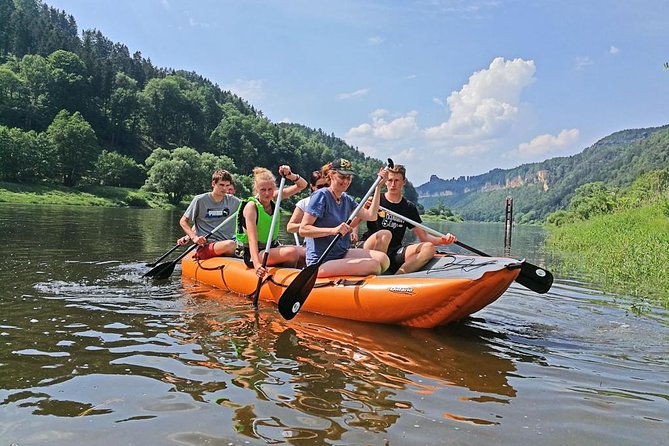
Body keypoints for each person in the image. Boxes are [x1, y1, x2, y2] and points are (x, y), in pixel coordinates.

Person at [300, 158, 390, 278]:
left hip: (341, 254)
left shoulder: (346, 198)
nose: (346, 181)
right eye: (342, 177)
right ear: (331, 175)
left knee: (383, 259)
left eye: (349, 178)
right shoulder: (321, 195)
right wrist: (333, 230)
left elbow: (371, 216)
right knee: (373, 265)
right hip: (321, 262)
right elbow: (303, 229)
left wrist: (378, 187)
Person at [361, 164, 457, 274]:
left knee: (429, 248)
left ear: (404, 182)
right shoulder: (375, 199)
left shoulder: (408, 207)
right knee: (385, 234)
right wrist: (355, 228)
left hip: (394, 251)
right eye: (390, 180)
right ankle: (375, 276)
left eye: (397, 180)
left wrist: (443, 240)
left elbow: (424, 237)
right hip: (372, 248)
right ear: (385, 181)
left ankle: (396, 278)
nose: (393, 184)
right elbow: (354, 223)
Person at [236, 165, 307, 278]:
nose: (267, 193)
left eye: (270, 189)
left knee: (305, 251)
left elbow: (302, 185)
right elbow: (252, 239)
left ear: (274, 188)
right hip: (255, 254)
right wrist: (257, 264)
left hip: (272, 248)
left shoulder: (275, 198)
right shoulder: (251, 207)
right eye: (263, 190)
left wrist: (290, 175)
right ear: (256, 189)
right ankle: (286, 277)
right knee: (292, 253)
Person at [179, 169, 241, 259]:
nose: (224, 189)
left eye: (227, 185)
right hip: (206, 246)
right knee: (230, 244)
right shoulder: (200, 200)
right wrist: (193, 238)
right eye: (221, 185)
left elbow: (250, 207)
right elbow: (183, 221)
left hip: (226, 243)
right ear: (213, 184)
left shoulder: (234, 201)